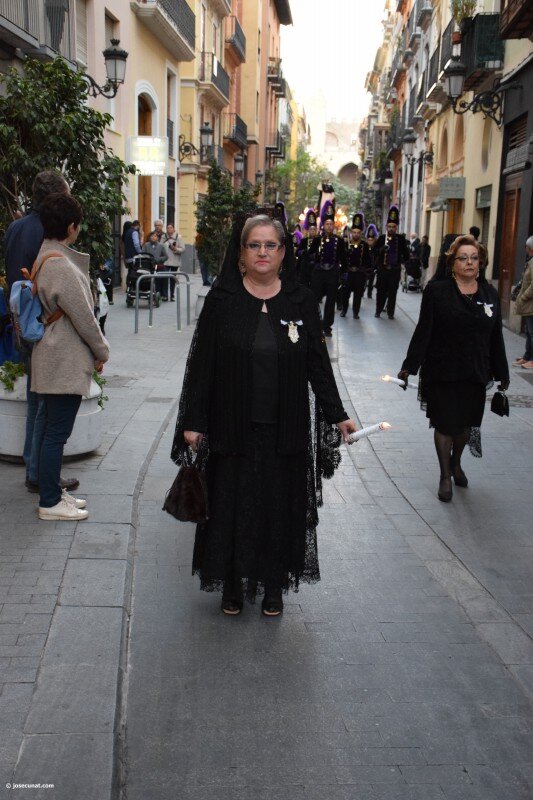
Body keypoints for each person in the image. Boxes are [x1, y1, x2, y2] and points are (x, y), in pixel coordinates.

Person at [171, 212, 356, 617]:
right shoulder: (222, 302)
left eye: (270, 245)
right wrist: (193, 422)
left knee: (277, 507)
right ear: (241, 253)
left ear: (283, 252)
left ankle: (273, 584)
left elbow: (317, 366)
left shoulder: (301, 300)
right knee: (232, 506)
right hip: (232, 426)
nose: (262, 252)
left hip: (284, 429)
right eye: (254, 244)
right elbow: (201, 367)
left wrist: (337, 413)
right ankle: (233, 585)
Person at [398, 234, 509, 503]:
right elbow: (424, 330)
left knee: (466, 426)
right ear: (453, 263)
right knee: (446, 424)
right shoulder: (438, 292)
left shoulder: (489, 294)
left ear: (480, 262)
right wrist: (409, 366)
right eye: (463, 258)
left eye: (474, 258)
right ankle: (445, 475)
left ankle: (456, 462)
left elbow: (495, 337)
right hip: (443, 370)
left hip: (475, 371)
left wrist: (502, 373)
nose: (470, 263)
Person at [31, 193, 109, 520]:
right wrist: (101, 349)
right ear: (72, 227)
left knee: (51, 429)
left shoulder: (45, 255)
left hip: (51, 354)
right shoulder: (60, 264)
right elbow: (84, 316)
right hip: (62, 356)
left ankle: (52, 492)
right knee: (56, 434)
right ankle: (49, 501)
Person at [4, 170, 80, 495]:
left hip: (20, 324)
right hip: (43, 328)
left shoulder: (15, 227)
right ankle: (39, 473)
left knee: (36, 399)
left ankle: (33, 465)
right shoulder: (46, 235)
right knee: (44, 405)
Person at [308, 201, 347, 336]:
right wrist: (313, 257)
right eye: (327, 224)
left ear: (334, 225)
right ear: (323, 226)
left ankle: (327, 326)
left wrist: (343, 274)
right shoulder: (317, 240)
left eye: (331, 224)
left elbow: (344, 258)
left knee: (330, 302)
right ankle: (314, 323)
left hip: (332, 273)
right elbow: (309, 254)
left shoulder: (339, 240)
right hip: (319, 273)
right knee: (314, 299)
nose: (329, 226)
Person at [374, 205, 409, 319]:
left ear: (396, 227)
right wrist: (381, 250)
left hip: (394, 270)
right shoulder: (381, 238)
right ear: (386, 227)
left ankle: (390, 312)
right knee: (381, 292)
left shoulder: (401, 239)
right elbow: (374, 251)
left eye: (393, 227)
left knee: (392, 292)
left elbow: (406, 254)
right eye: (389, 226)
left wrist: (402, 261)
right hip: (383, 270)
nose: (391, 229)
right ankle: (378, 310)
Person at [340, 212, 371, 319]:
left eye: (358, 232)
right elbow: (342, 259)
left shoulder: (365, 245)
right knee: (345, 294)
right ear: (351, 232)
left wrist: (366, 272)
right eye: (354, 232)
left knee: (358, 295)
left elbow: (368, 260)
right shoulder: (345, 244)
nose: (356, 234)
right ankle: (344, 310)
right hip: (348, 273)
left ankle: (355, 312)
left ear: (361, 233)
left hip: (359, 273)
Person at [513, 236, 533, 369]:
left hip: (530, 303)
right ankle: (527, 357)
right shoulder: (530, 261)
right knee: (528, 331)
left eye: (526, 247)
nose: (525, 249)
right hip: (528, 304)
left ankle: (531, 359)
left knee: (532, 332)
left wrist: (523, 297)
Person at [295, 209, 318, 287]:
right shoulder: (304, 240)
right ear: (308, 230)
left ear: (316, 230)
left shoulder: (319, 240)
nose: (312, 231)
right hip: (304, 267)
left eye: (314, 229)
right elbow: (297, 252)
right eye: (311, 229)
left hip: (315, 267)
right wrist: (303, 252)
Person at [162, 223, 185, 301]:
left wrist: (176, 249)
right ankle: (165, 295)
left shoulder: (178, 237)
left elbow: (183, 249)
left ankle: (172, 295)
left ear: (174, 229)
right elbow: (161, 247)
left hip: (175, 261)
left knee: (172, 279)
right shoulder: (163, 237)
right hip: (165, 261)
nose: (169, 229)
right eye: (167, 228)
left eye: (170, 228)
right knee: (164, 278)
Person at [143, 231, 169, 299]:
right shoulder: (146, 245)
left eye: (155, 236)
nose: (153, 238)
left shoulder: (161, 246)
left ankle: (164, 294)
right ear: (149, 237)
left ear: (157, 238)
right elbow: (142, 254)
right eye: (152, 236)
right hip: (149, 266)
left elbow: (166, 256)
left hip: (159, 265)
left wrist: (158, 259)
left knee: (165, 276)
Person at [365, 224, 378, 299]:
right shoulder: (365, 240)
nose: (371, 232)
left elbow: (377, 252)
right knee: (364, 278)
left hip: (373, 261)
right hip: (366, 261)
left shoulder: (376, 240)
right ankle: (362, 290)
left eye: (372, 231)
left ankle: (369, 293)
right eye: (370, 231)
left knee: (371, 279)